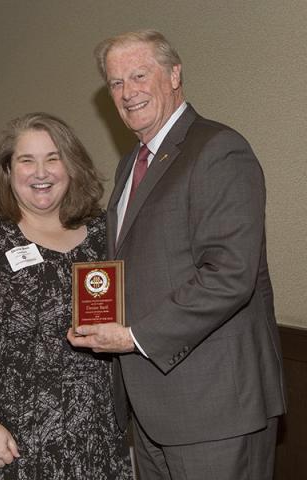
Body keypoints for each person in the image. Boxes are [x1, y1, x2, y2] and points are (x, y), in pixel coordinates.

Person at [67, 30, 286, 480]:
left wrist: (133, 337)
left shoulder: (218, 149)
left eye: (139, 75)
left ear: (174, 74)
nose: (128, 93)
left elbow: (229, 274)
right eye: (115, 83)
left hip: (215, 407)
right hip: (153, 406)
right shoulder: (133, 164)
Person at [0, 112, 132, 479]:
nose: (41, 172)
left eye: (53, 158)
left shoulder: (103, 233)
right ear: (8, 171)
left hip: (92, 432)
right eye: (27, 160)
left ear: (72, 167)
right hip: (10, 435)